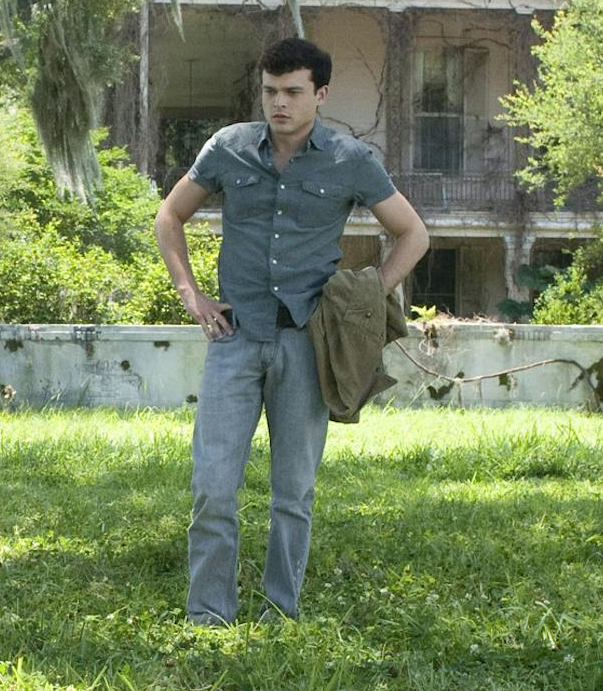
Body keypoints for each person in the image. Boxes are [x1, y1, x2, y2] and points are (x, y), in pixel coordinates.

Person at [153, 37, 429, 624]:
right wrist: (191, 294)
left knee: (292, 495)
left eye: (293, 92)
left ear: (320, 95)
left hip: (308, 342)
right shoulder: (228, 149)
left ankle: (280, 612)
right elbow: (170, 215)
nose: (279, 103)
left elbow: (413, 234)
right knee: (212, 490)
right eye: (270, 92)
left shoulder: (350, 159)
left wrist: (368, 295)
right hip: (234, 339)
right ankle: (209, 617)